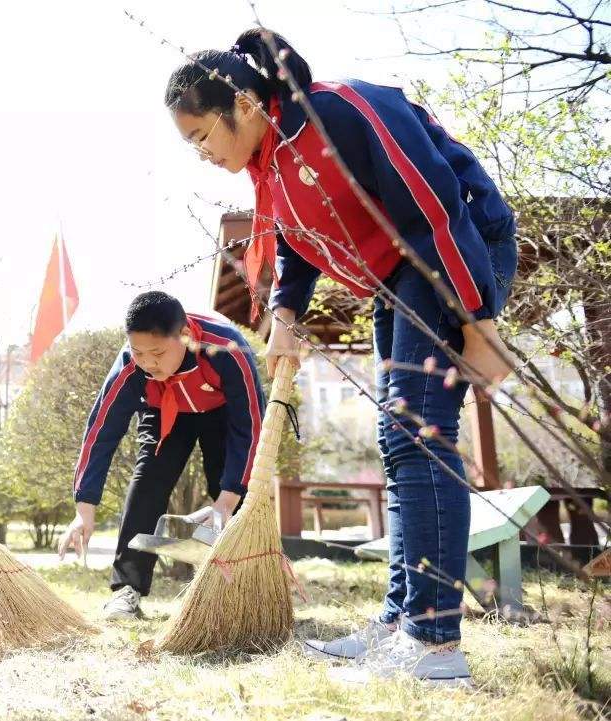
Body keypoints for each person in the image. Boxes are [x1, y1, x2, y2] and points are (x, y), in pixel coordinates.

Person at [163, 29, 517, 684]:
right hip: (397, 278)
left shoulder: (343, 109)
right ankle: (399, 621)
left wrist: (477, 323)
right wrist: (285, 315)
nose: (203, 154)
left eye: (202, 136)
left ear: (241, 102)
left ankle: (436, 643)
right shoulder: (269, 163)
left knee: (417, 430)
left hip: (453, 254)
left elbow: (434, 209)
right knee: (397, 439)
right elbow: (294, 241)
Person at [58, 292, 266, 620]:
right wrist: (84, 509)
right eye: (139, 352)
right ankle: (127, 589)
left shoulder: (226, 348)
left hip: (221, 413)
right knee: (148, 482)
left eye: (157, 352)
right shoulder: (130, 365)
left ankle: (244, 586)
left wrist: (225, 502)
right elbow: (101, 431)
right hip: (164, 409)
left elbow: (251, 425)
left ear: (183, 336)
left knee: (229, 488)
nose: (148, 362)